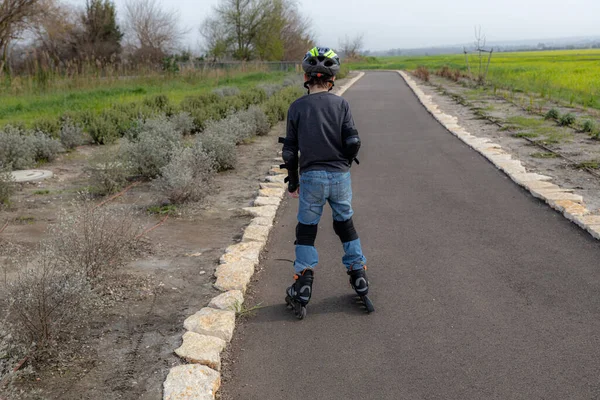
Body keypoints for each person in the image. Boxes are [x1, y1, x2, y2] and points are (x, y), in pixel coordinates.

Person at [280, 46, 373, 319]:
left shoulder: (296, 107)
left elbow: (289, 152)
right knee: (345, 224)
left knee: (306, 230)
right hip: (339, 175)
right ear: (331, 80)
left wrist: (293, 182)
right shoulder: (341, 104)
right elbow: (353, 141)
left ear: (307, 78)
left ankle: (303, 282)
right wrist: (344, 161)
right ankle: (358, 274)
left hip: (311, 177)